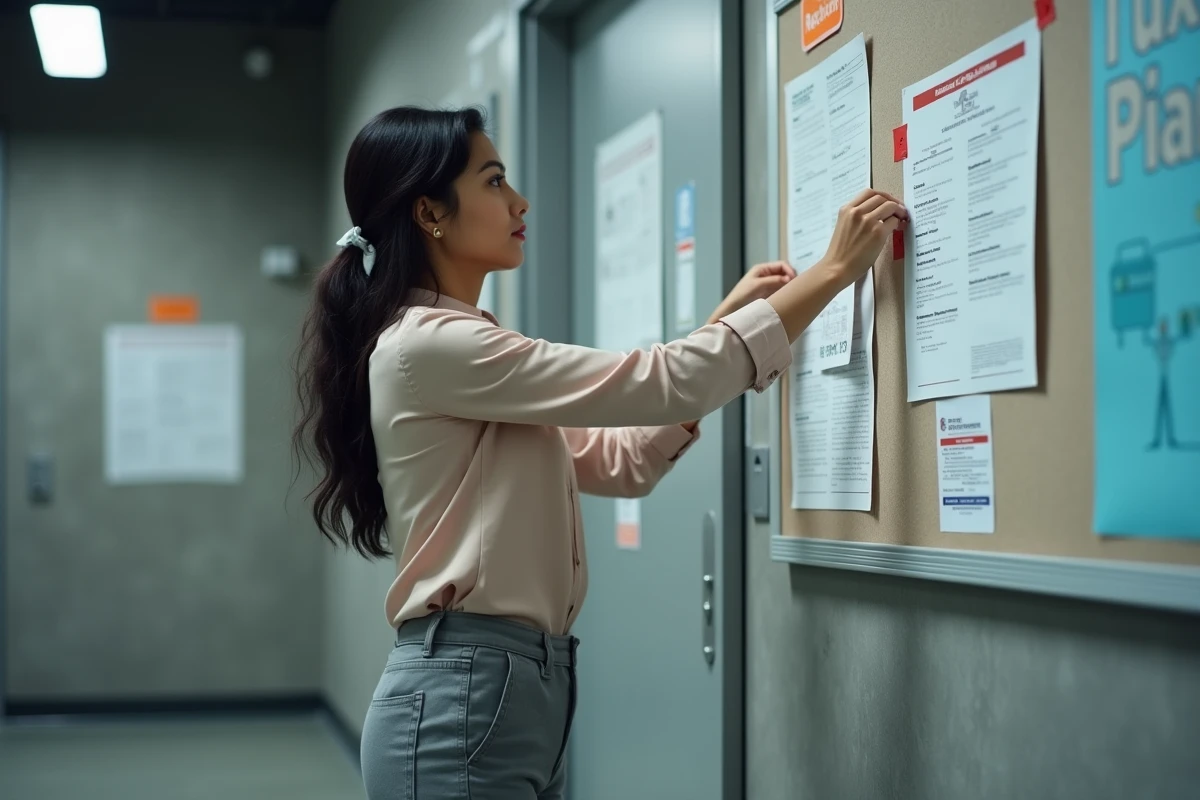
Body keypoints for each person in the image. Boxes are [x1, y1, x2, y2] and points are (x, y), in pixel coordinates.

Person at [293, 106, 907, 800]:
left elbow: (625, 462)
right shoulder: (430, 346)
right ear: (430, 213)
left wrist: (718, 328)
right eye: (494, 182)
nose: (519, 201)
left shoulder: (463, 350)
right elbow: (662, 381)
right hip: (466, 689)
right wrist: (831, 272)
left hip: (516, 688)